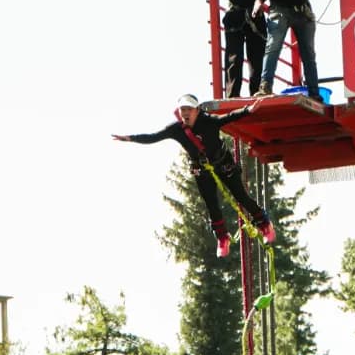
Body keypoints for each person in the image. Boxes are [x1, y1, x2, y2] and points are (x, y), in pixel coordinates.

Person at [113, 94, 275, 258]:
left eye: (189, 109)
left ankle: (264, 225)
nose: (185, 113)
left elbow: (229, 117)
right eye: (182, 110)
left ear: (197, 110)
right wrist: (130, 138)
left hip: (222, 163)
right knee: (211, 204)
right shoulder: (176, 129)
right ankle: (222, 238)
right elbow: (153, 137)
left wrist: (248, 110)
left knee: (240, 196)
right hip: (202, 169)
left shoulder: (209, 121)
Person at [253, 0, 337, 101]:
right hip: (280, 10)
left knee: (308, 54)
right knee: (273, 46)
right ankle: (265, 86)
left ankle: (314, 92)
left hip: (302, 11)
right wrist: (258, 2)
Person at [219, 0, 267, 98]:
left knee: (256, 58)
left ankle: (257, 91)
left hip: (254, 17)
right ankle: (233, 94)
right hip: (236, 16)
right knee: (234, 57)